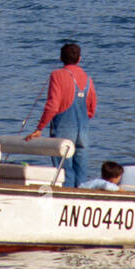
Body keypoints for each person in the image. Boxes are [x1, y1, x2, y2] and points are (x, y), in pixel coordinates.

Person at [26, 42, 96, 188]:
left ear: (60, 58)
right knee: (81, 173)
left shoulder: (57, 75)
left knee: (65, 172)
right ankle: (82, 200)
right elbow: (91, 108)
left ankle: (67, 198)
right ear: (79, 59)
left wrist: (40, 128)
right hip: (83, 131)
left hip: (64, 131)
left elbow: (53, 105)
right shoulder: (88, 78)